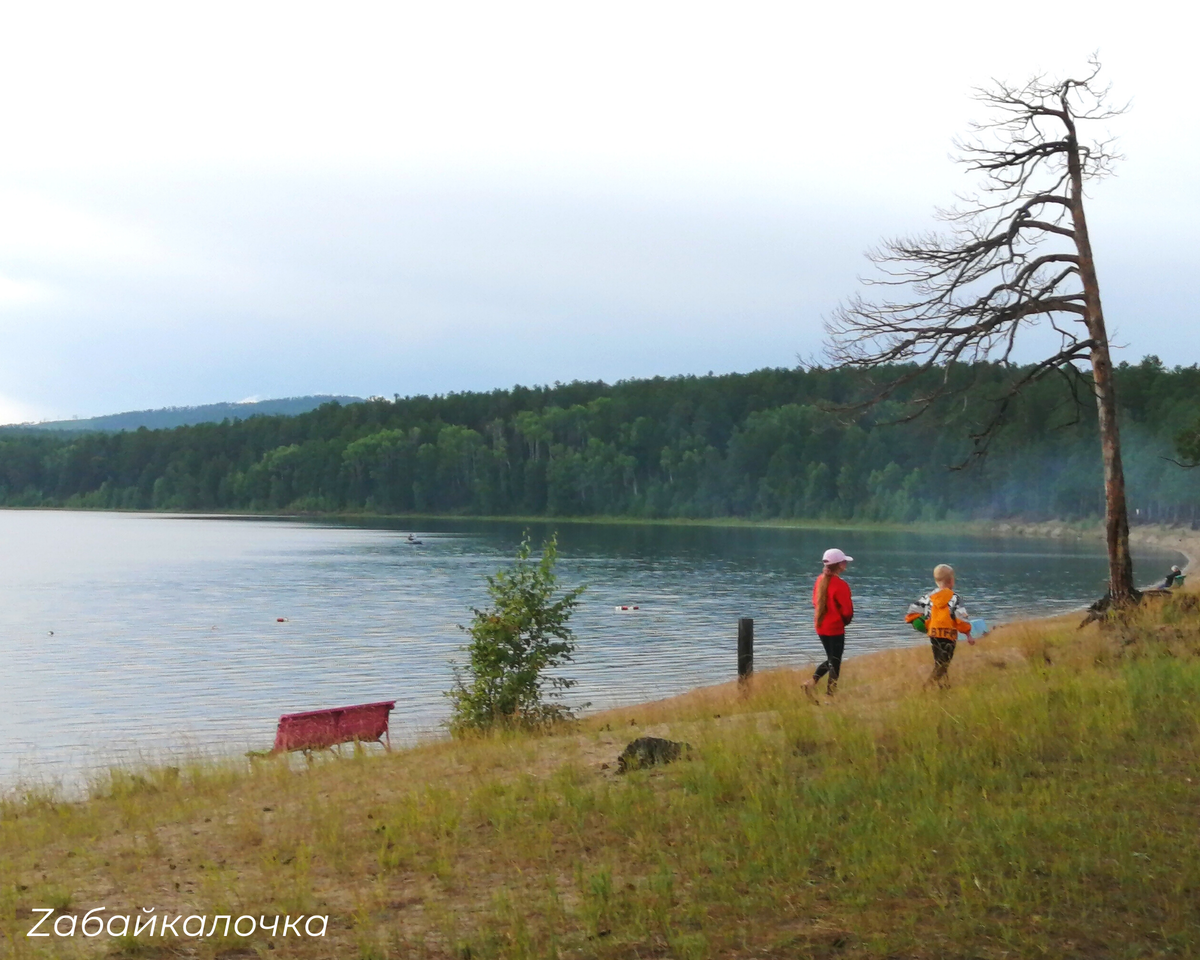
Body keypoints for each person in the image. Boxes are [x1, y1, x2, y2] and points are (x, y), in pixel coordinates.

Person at [906, 563, 974, 689]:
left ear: (936, 581)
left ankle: (944, 685)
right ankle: (927, 686)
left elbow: (912, 610)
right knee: (944, 663)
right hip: (949, 635)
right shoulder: (954, 598)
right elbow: (960, 617)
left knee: (939, 660)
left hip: (934, 634)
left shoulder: (929, 597)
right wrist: (968, 633)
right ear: (951, 581)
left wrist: (920, 622)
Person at [802, 548, 854, 703]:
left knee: (832, 659)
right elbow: (847, 611)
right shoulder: (841, 585)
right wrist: (844, 621)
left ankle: (811, 683)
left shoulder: (819, 579)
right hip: (835, 627)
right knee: (835, 661)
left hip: (820, 625)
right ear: (840, 565)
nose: (846, 564)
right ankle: (829, 695)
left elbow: (814, 602)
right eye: (844, 562)